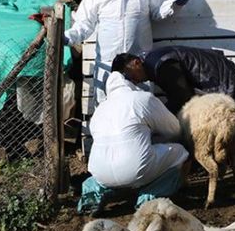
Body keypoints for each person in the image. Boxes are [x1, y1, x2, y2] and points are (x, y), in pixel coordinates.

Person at [111, 45, 235, 200]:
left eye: (130, 75)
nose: (134, 81)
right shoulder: (155, 62)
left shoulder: (161, 65)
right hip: (218, 77)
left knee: (230, 125)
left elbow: (182, 97)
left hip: (223, 79)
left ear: (136, 62)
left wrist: (157, 115)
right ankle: (234, 177)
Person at [64, 0, 191, 103]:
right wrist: (70, 37)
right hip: (107, 65)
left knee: (141, 107)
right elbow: (84, 24)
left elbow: (158, 11)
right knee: (106, 108)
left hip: (138, 67)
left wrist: (174, 5)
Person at [77, 71, 190, 216]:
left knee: (101, 177)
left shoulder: (100, 110)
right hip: (136, 168)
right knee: (181, 153)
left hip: (100, 172)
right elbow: (174, 129)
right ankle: (148, 198)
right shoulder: (142, 98)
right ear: (129, 83)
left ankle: (92, 196)